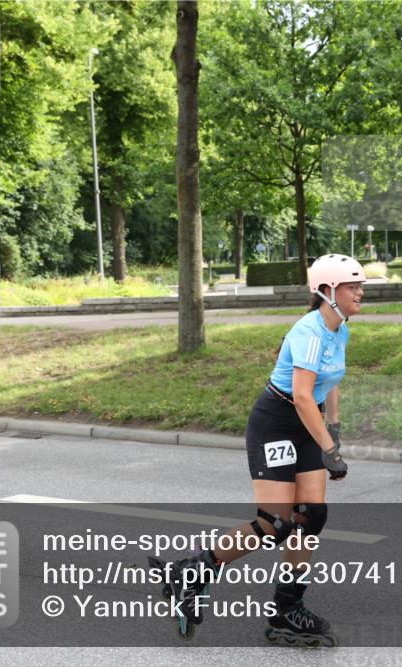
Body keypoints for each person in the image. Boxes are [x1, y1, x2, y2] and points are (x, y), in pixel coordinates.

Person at [149, 253, 365, 647]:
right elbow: (300, 395)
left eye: (359, 286)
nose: (360, 293)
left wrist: (333, 430)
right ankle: (194, 570)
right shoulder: (308, 331)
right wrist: (329, 447)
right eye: (353, 286)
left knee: (312, 517)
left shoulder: (340, 330)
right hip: (276, 424)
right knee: (275, 524)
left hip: (308, 424)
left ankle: (287, 610)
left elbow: (328, 381)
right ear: (329, 291)